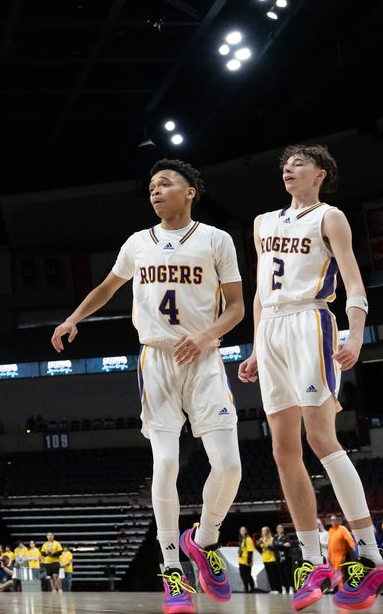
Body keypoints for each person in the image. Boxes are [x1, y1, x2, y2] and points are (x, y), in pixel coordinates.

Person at [53, 159, 245, 613]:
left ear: (190, 191)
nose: (155, 192)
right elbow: (106, 287)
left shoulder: (217, 240)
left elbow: (236, 308)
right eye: (152, 187)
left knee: (230, 466)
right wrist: (73, 317)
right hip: (156, 358)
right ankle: (173, 571)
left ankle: (205, 540)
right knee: (166, 464)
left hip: (204, 357)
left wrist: (204, 336)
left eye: (165, 184)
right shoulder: (138, 242)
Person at [238, 145, 383, 609]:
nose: (288, 169)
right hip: (271, 331)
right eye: (285, 164)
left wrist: (355, 336)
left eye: (299, 164)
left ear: (320, 174)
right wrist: (255, 346)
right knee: (283, 449)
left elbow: (354, 281)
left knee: (321, 439)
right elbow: (261, 289)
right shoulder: (263, 222)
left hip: (312, 322)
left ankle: (371, 555)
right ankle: (312, 559)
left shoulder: (331, 217)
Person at [276, 523, 299, 594]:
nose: (280, 529)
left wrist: (279, 545)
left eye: (281, 528)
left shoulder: (286, 537)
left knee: (288, 573)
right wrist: (282, 545)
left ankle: (291, 588)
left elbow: (288, 545)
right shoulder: (276, 537)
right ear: (277, 530)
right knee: (281, 574)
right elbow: (274, 546)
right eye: (278, 528)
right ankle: (283, 588)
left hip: (286, 558)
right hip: (278, 558)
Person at [259, 526, 280, 593]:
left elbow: (273, 549)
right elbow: (260, 549)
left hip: (271, 559)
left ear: (268, 531)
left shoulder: (271, 539)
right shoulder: (261, 539)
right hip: (265, 559)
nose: (263, 532)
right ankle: (272, 589)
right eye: (262, 531)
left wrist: (266, 545)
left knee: (273, 574)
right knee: (269, 575)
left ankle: (277, 589)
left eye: (264, 531)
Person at [239, 526, 256, 593]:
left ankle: (252, 587)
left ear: (246, 531)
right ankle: (246, 587)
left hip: (246, 560)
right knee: (243, 575)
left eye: (243, 530)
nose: (242, 531)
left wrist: (249, 560)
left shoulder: (248, 539)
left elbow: (250, 550)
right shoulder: (243, 539)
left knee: (247, 575)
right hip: (241, 560)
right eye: (241, 530)